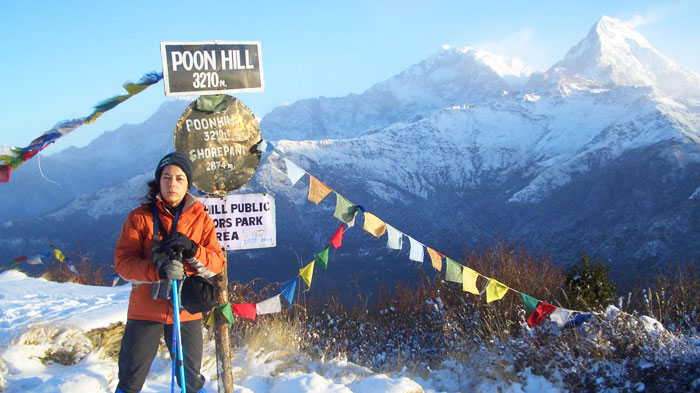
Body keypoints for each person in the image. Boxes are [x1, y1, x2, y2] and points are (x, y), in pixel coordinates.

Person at [113, 152, 225, 393]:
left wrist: (193, 250)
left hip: (185, 311)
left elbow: (216, 264)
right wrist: (157, 271)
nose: (172, 183)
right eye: (167, 177)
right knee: (131, 380)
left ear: (188, 184)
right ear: (159, 181)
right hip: (145, 309)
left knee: (191, 380)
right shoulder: (140, 218)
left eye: (179, 178)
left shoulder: (201, 219)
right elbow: (123, 264)